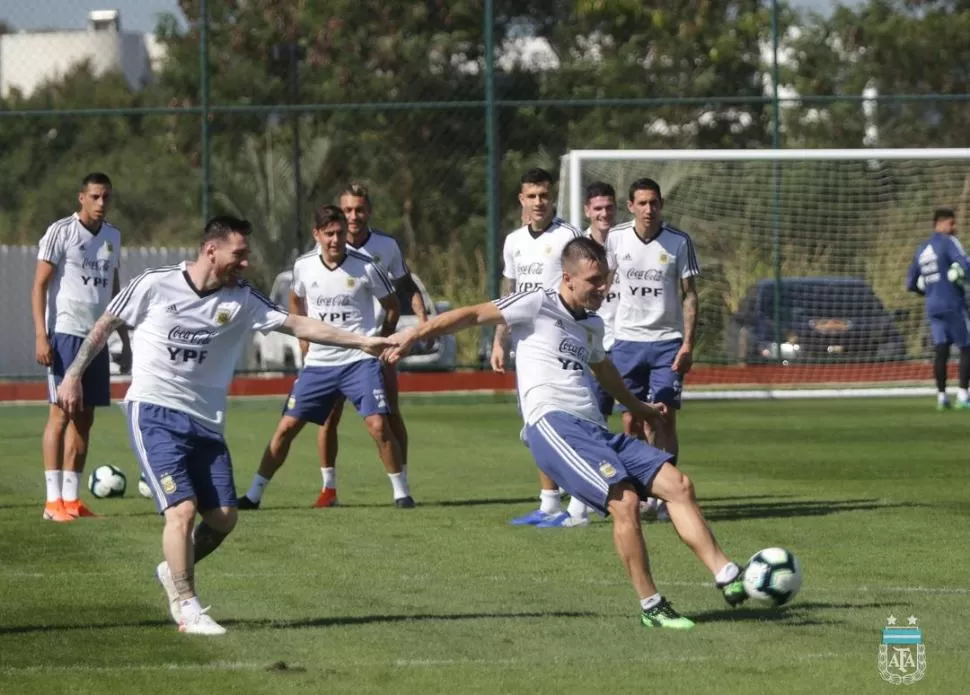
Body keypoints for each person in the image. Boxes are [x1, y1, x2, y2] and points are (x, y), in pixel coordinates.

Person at [55, 215, 397, 636]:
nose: (246, 263)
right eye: (240, 254)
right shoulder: (154, 283)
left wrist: (364, 340)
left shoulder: (243, 299)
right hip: (154, 412)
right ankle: (186, 605)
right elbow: (106, 323)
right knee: (180, 510)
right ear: (211, 250)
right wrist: (72, 374)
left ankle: (173, 569)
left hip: (206, 421)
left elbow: (299, 324)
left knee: (223, 518)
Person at [386, 237, 747, 629]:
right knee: (623, 502)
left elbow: (604, 369)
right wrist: (414, 335)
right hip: (552, 424)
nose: (604, 288)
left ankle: (727, 575)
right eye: (595, 281)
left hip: (593, 429)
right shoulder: (535, 302)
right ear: (568, 278)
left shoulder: (591, 323)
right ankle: (652, 606)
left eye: (606, 279)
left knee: (678, 484)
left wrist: (639, 407)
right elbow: (472, 315)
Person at [238, 205, 414, 509]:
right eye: (329, 233)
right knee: (286, 428)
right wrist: (304, 337)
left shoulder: (366, 265)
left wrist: (381, 340)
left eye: (340, 233)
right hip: (319, 363)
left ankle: (402, 493)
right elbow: (295, 299)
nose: (335, 240)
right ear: (316, 234)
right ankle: (253, 495)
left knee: (377, 424)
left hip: (359, 361)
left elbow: (393, 305)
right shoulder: (303, 265)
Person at [311, 183, 425, 507]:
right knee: (329, 417)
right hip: (335, 348)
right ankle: (328, 488)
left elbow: (406, 285)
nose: (353, 216)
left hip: (377, 346)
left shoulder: (386, 246)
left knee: (388, 412)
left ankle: (402, 483)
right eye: (347, 210)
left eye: (359, 209)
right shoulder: (326, 248)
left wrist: (420, 322)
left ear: (368, 211)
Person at [31, 172, 131, 522]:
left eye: (106, 197)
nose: (101, 203)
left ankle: (72, 502)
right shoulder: (61, 232)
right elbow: (40, 285)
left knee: (85, 418)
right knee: (60, 413)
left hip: (98, 337)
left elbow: (115, 289)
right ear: (81, 198)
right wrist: (42, 335)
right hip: (65, 334)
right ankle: (51, 502)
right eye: (95, 197)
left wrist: (124, 338)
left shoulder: (113, 236)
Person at [493, 167, 584, 528]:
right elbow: (509, 294)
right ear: (521, 200)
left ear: (552, 197)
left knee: (571, 420)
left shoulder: (569, 237)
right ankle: (548, 503)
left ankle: (579, 506)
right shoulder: (514, 241)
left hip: (561, 342)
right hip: (525, 345)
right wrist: (500, 340)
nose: (538, 203)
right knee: (535, 424)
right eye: (531, 196)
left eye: (544, 196)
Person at [605, 177, 700, 519]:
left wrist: (688, 343)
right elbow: (604, 284)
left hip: (665, 344)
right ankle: (641, 492)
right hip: (627, 341)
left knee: (662, 418)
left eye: (654, 202)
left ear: (661, 204)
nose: (649, 209)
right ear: (630, 206)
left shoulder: (678, 242)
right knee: (630, 420)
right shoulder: (616, 238)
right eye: (642, 203)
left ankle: (668, 498)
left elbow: (690, 294)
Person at [906, 208, 970, 410]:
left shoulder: (921, 248)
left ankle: (942, 397)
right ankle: (963, 396)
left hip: (932, 306)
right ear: (941, 224)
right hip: (952, 302)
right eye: (952, 223)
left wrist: (928, 292)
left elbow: (911, 283)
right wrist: (962, 278)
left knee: (941, 350)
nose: (955, 228)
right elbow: (965, 265)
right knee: (967, 346)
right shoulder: (948, 242)